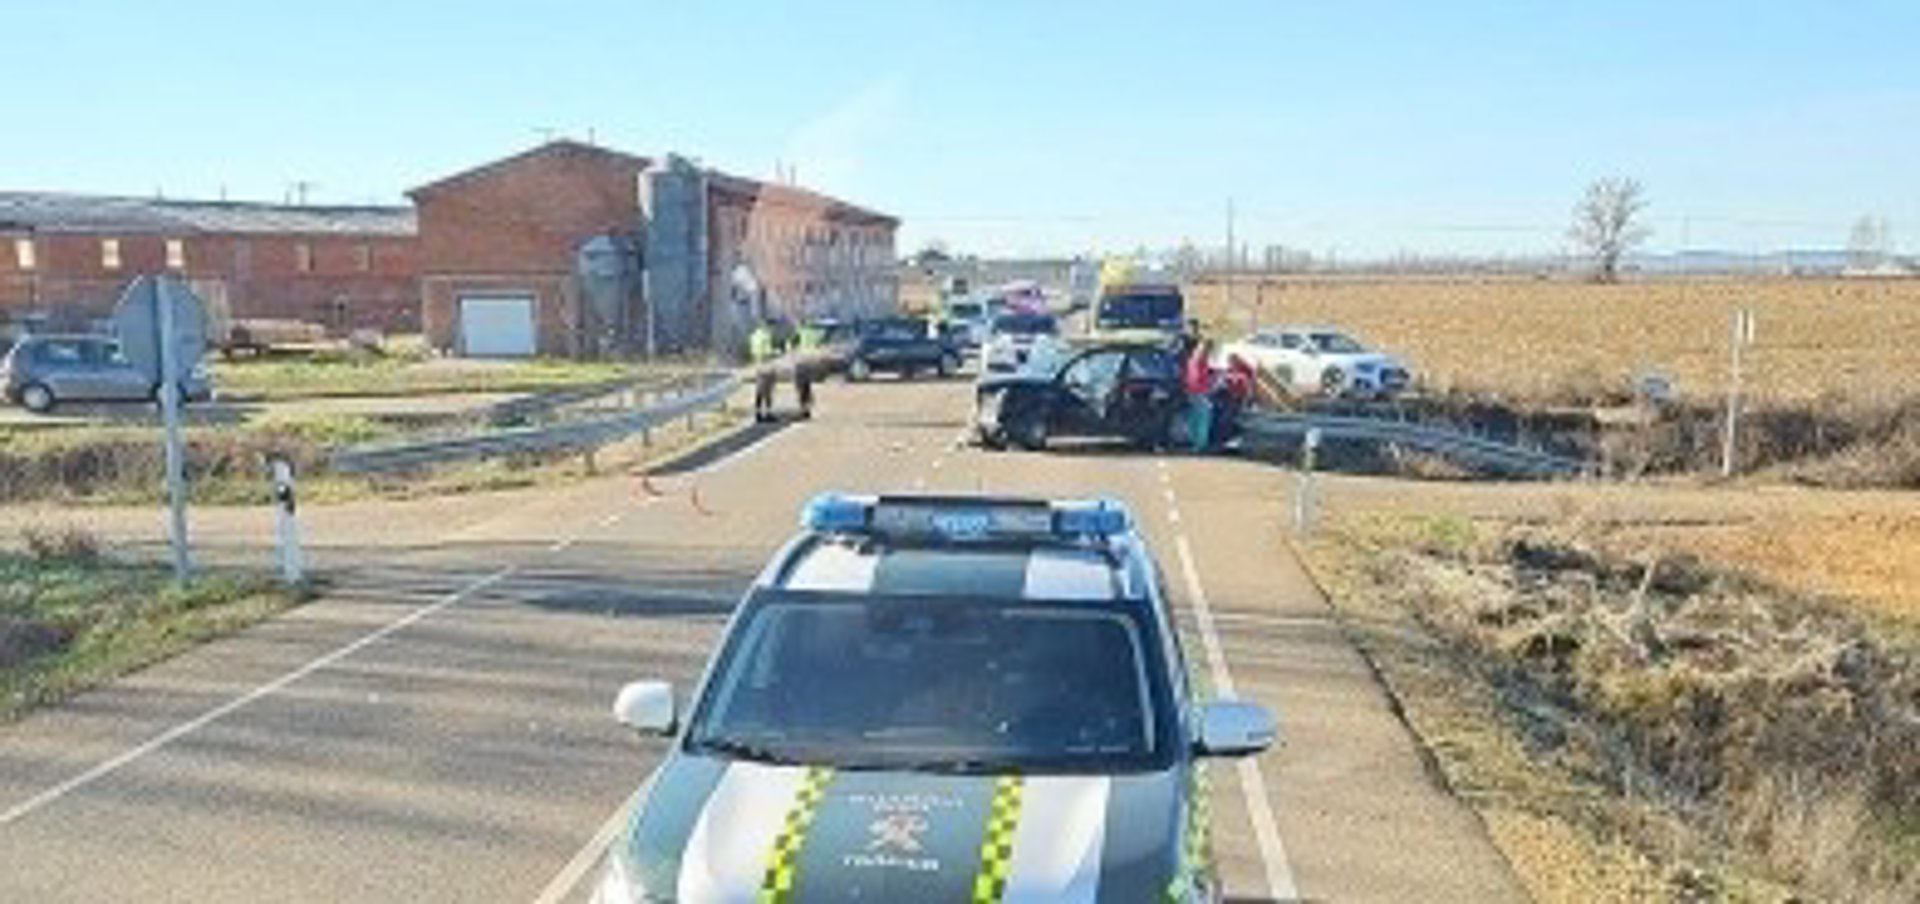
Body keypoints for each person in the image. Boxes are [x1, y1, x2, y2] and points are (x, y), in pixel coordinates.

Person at [1182, 337, 1218, 453]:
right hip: (1199, 391)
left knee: (1196, 417)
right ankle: (1199, 443)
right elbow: (1199, 376)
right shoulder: (1199, 359)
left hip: (1195, 390)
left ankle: (1197, 442)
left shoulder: (1194, 359)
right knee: (1201, 417)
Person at [793, 320, 824, 419]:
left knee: (801, 388)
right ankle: (807, 409)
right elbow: (818, 344)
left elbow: (791, 346)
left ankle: (803, 409)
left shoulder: (799, 333)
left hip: (801, 361)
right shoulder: (812, 333)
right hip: (810, 362)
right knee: (807, 387)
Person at [749, 319, 779, 423]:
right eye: (772, 326)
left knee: (759, 390)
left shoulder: (754, 336)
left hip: (757, 365)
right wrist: (777, 352)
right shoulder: (766, 336)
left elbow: (752, 351)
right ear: (768, 326)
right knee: (768, 391)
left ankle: (757, 413)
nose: (773, 329)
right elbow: (768, 352)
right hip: (767, 365)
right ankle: (768, 413)